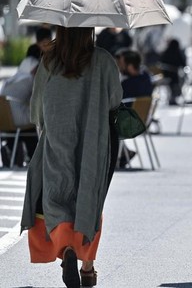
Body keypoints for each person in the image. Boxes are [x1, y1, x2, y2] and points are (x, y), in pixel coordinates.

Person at [20, 26, 122, 288]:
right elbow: (114, 100)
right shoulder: (103, 59)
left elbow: (37, 108)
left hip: (57, 138)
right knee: (90, 196)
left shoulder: (50, 60)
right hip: (95, 138)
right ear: (89, 30)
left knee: (57, 195)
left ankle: (66, 249)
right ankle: (87, 266)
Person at [0, 57, 40, 167]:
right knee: (35, 122)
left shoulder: (12, 79)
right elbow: (37, 99)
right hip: (18, 119)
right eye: (37, 69)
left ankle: (11, 151)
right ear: (31, 69)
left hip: (4, 121)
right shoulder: (30, 80)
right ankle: (33, 157)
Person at [159, 38, 186, 106]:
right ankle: (174, 97)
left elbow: (161, 62)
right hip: (174, 75)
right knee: (178, 81)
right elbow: (183, 63)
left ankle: (172, 97)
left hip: (165, 74)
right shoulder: (177, 53)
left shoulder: (166, 52)